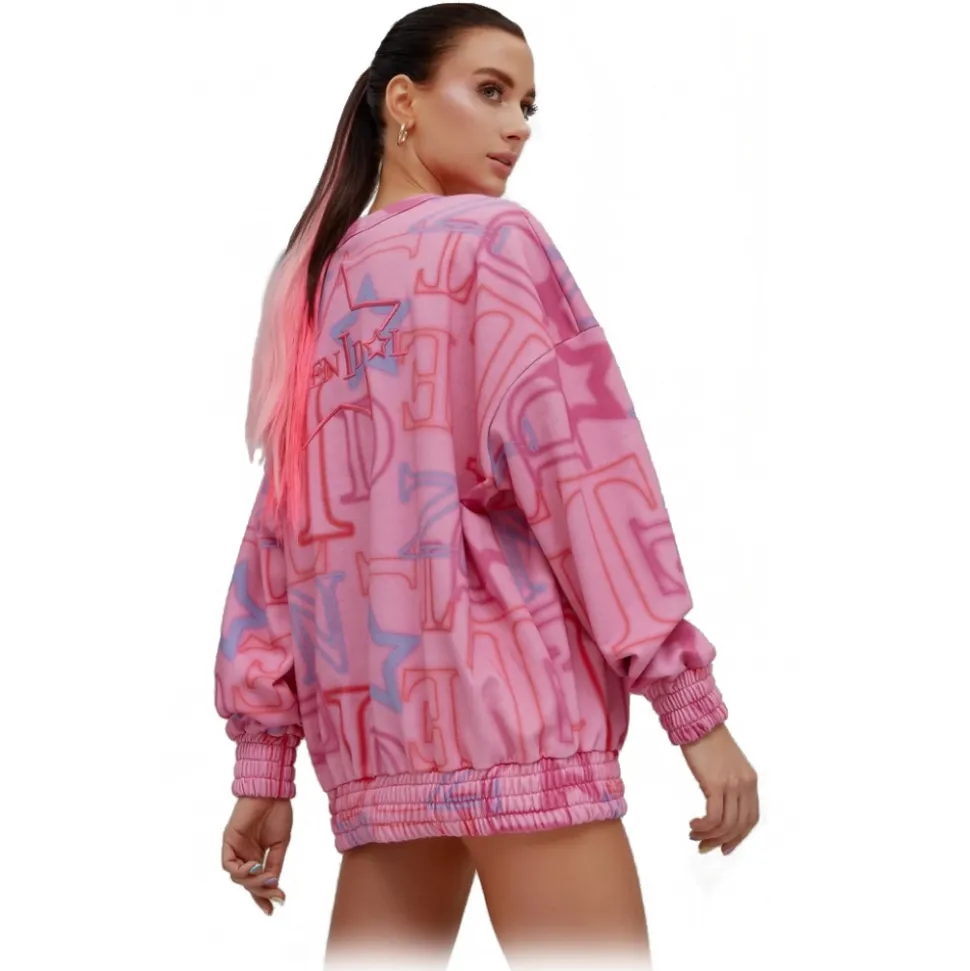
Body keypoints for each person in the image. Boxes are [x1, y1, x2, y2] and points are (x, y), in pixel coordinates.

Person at [214, 3, 759, 967]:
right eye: (492, 91)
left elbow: (281, 538)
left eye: (528, 106)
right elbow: (591, 481)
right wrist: (692, 707)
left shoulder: (318, 284)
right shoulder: (496, 244)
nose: (517, 127)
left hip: (383, 755)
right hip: (521, 734)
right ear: (404, 102)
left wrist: (265, 760)